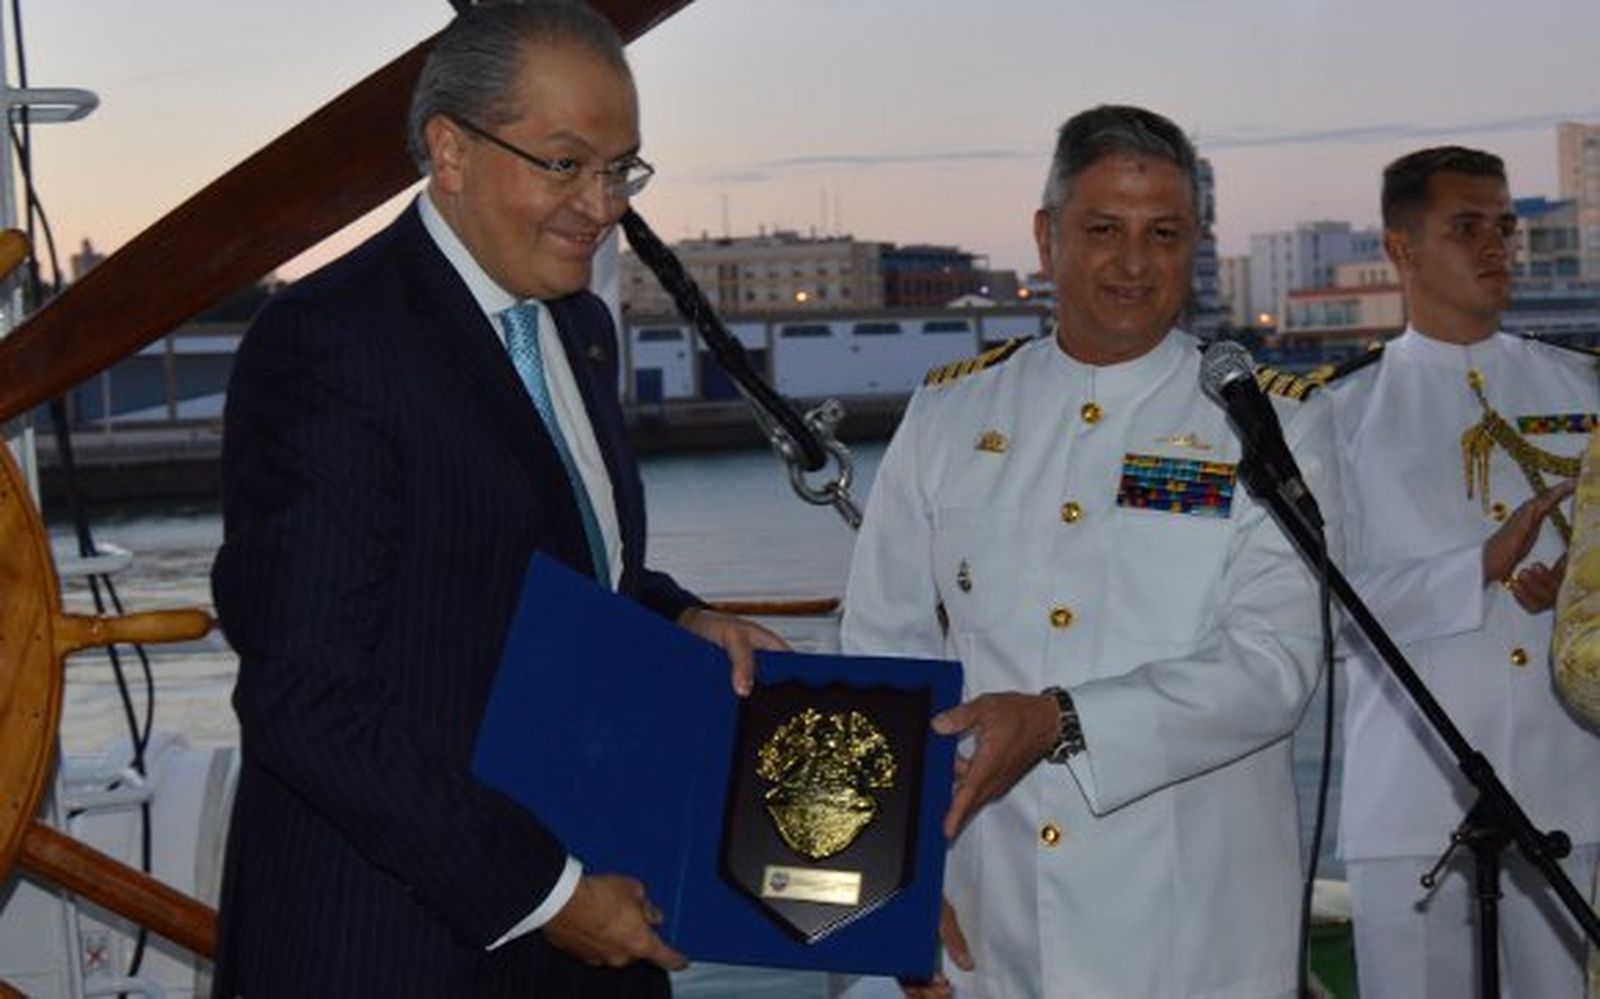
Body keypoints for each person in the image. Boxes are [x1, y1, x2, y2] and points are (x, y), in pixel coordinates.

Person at [208, 3, 782, 995]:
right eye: (564, 164)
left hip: (586, 924)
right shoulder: (332, 341)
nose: (600, 205)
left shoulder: (578, 332)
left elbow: (551, 567)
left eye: (620, 169)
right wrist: (548, 894)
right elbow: (304, 696)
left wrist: (678, 616)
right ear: (451, 150)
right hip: (394, 945)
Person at [838, 104, 1336, 998]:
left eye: (1165, 233)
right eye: (1103, 229)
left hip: (1193, 927)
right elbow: (881, 649)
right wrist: (895, 880)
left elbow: (1273, 664)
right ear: (1045, 236)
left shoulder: (1275, 421)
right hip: (985, 913)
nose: (1134, 263)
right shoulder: (951, 415)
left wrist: (1062, 719)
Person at [1327, 145, 1600, 999]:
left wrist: (1580, 594)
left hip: (1570, 789)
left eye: (1505, 226)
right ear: (1401, 249)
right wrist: (1474, 568)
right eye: (1467, 227)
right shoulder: (1340, 414)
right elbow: (1315, 612)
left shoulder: (1583, 388)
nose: (1497, 246)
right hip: (1412, 800)